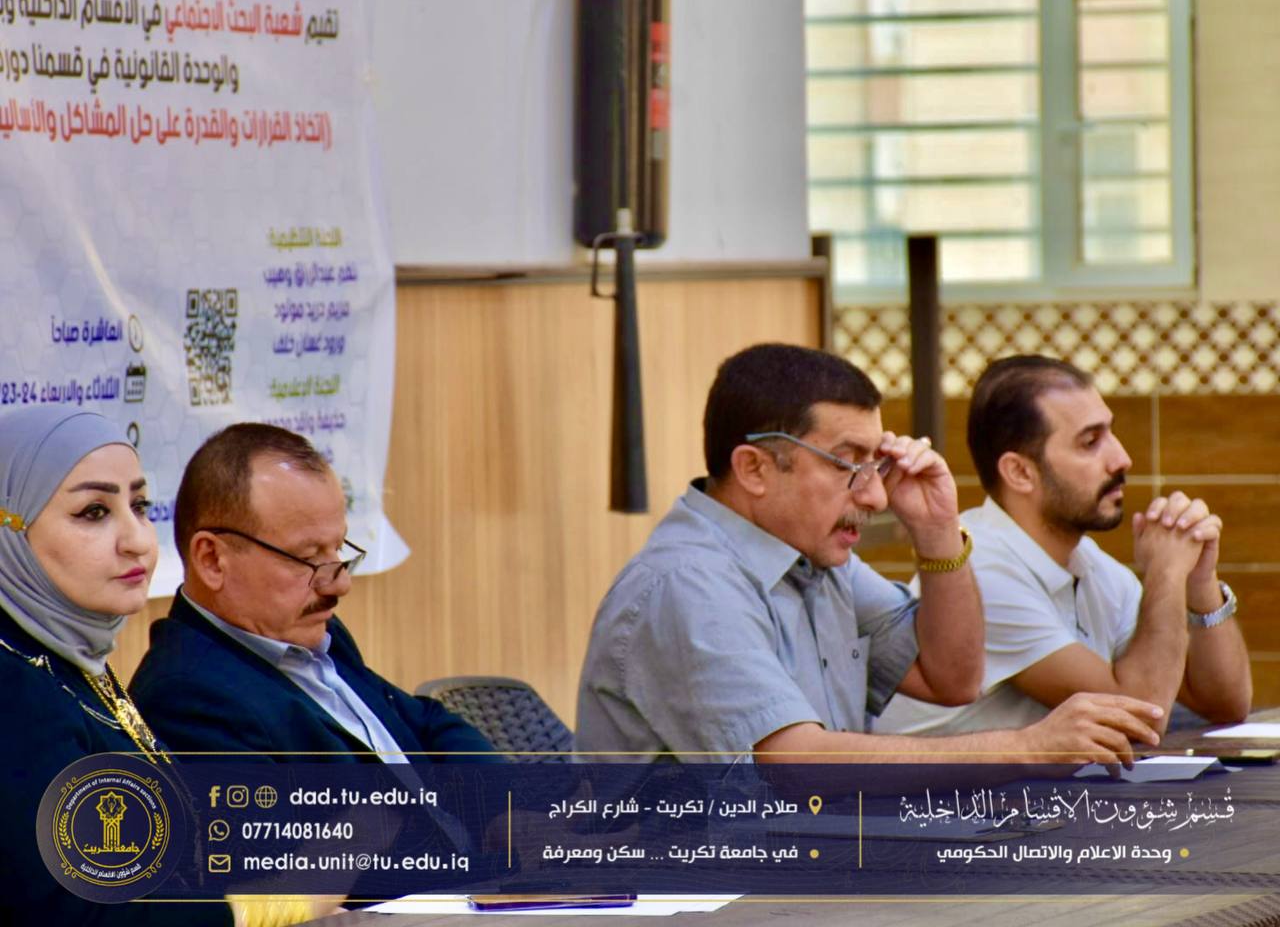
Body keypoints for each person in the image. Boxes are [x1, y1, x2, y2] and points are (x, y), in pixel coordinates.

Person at [576, 343, 1165, 766]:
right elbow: (793, 761)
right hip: (676, 881)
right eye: (848, 464)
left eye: (876, 464)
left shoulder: (817, 561)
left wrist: (937, 533)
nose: (876, 496)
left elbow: (953, 678)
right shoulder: (687, 583)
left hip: (798, 863)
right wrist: (1025, 748)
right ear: (754, 469)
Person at [878, 355, 1251, 737]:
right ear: (1020, 472)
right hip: (918, 778)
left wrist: (1201, 585)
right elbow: (1141, 715)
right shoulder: (981, 571)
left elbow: (1226, 704)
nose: (1121, 459)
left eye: (1110, 433)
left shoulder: (1090, 565)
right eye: (1090, 442)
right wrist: (1167, 572)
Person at [0, 408, 268, 925]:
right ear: (12, 531)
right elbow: (81, 912)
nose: (139, 541)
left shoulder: (65, 660)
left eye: (139, 506)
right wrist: (255, 908)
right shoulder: (13, 690)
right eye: (94, 512)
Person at [130, 422, 495, 764]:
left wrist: (502, 799)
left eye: (338, 548)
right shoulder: (186, 700)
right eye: (307, 557)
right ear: (212, 560)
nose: (339, 584)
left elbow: (426, 723)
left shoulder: (314, 633)